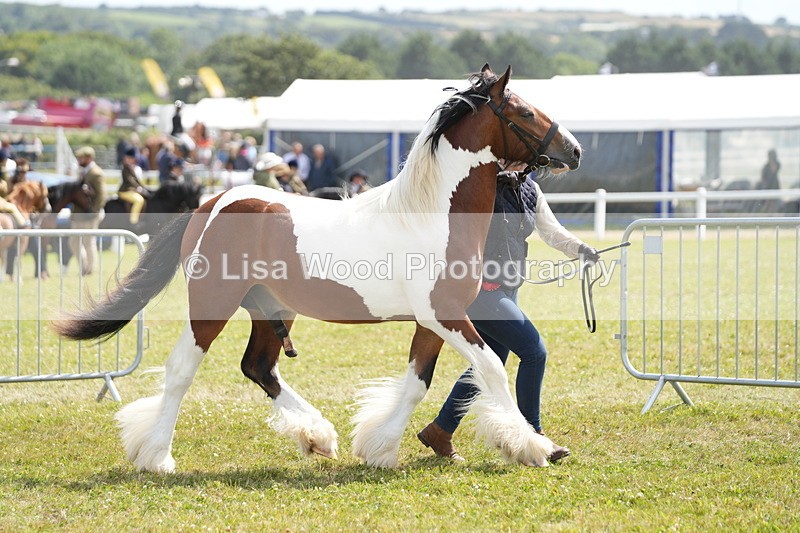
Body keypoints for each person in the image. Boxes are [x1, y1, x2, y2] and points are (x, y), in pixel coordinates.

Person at [417, 166, 599, 463]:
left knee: (491, 363)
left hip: (508, 288)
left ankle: (441, 429)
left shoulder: (530, 189)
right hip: (481, 291)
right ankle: (533, 437)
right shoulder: (479, 183)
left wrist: (580, 249)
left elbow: (551, 232)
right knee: (533, 351)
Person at [69, 146, 106, 275]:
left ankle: (89, 269)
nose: (79, 159)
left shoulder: (96, 173)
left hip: (90, 214)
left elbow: (101, 196)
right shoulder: (84, 171)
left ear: (89, 158)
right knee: (74, 242)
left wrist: (93, 212)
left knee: (88, 242)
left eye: (82, 157)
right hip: (80, 214)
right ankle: (84, 266)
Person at [118, 148, 149, 228]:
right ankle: (133, 221)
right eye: (131, 159)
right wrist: (138, 187)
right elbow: (130, 180)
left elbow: (137, 180)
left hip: (131, 190)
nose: (133, 160)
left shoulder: (132, 168)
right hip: (125, 191)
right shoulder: (125, 169)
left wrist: (143, 188)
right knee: (139, 200)